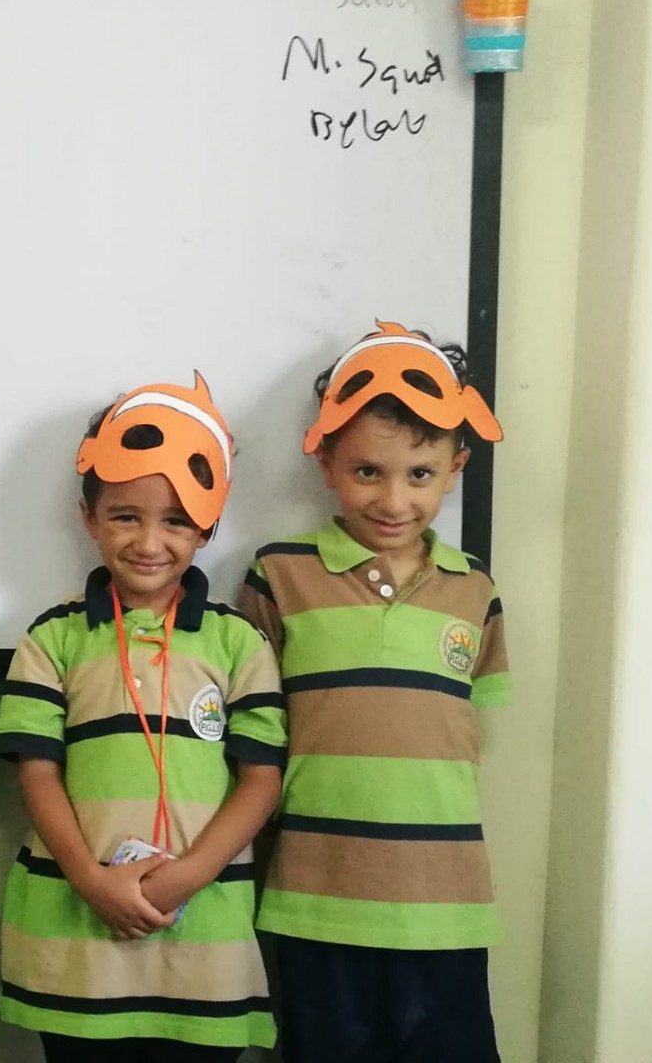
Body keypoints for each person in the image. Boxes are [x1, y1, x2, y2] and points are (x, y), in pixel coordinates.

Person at [238, 321, 510, 1062]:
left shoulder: (475, 589)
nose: (393, 499)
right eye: (367, 471)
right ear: (326, 461)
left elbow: (465, 729)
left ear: (455, 468)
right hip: (314, 898)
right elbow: (254, 735)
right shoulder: (277, 575)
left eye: (419, 474)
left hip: (444, 905)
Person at [0, 374, 285, 1062]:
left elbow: (261, 780)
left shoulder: (238, 642)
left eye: (175, 521)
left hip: (202, 947)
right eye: (125, 516)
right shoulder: (53, 638)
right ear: (88, 516)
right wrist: (91, 881)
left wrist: (188, 875)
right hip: (77, 943)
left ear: (208, 525)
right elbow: (36, 774)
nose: (149, 541)